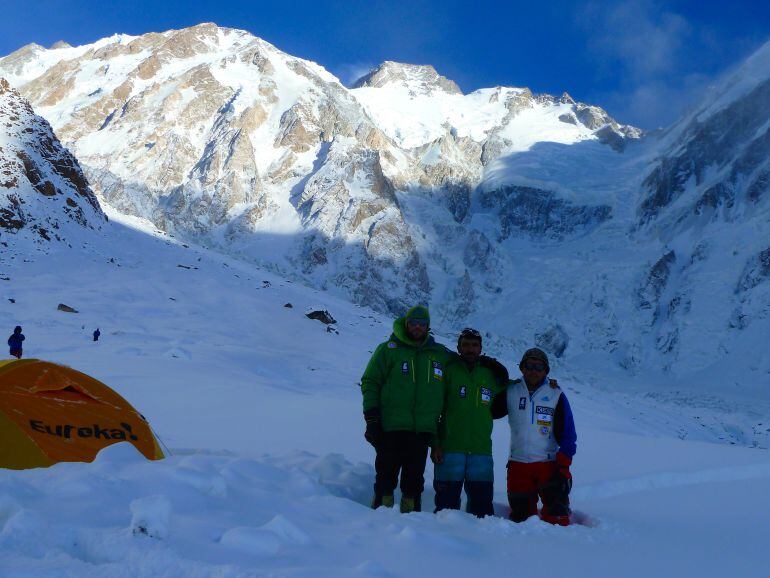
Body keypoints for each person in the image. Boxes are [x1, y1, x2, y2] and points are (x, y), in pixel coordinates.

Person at [360, 305, 452, 513]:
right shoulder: (388, 349)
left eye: (422, 323)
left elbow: (464, 365)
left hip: (421, 431)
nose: (417, 327)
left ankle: (411, 520)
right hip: (390, 427)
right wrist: (372, 419)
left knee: (414, 481)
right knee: (385, 477)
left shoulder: (438, 354)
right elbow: (370, 382)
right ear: (406, 323)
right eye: (413, 322)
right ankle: (379, 518)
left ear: (428, 326)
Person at [492, 347, 576, 526]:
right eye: (529, 366)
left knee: (557, 517)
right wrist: (491, 371)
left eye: (539, 367)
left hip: (549, 465)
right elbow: (489, 409)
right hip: (518, 466)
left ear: (546, 371)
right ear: (522, 368)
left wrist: (565, 463)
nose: (533, 371)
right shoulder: (511, 391)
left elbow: (568, 432)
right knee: (520, 519)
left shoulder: (555, 394)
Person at [431, 328, 509, 517]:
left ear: (481, 348)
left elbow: (519, 389)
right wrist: (435, 444)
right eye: (466, 345)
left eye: (474, 345)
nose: (470, 349)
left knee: (481, 510)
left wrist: (548, 385)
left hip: (481, 452)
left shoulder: (490, 375)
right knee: (446, 509)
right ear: (458, 347)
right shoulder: (448, 372)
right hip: (450, 450)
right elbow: (433, 409)